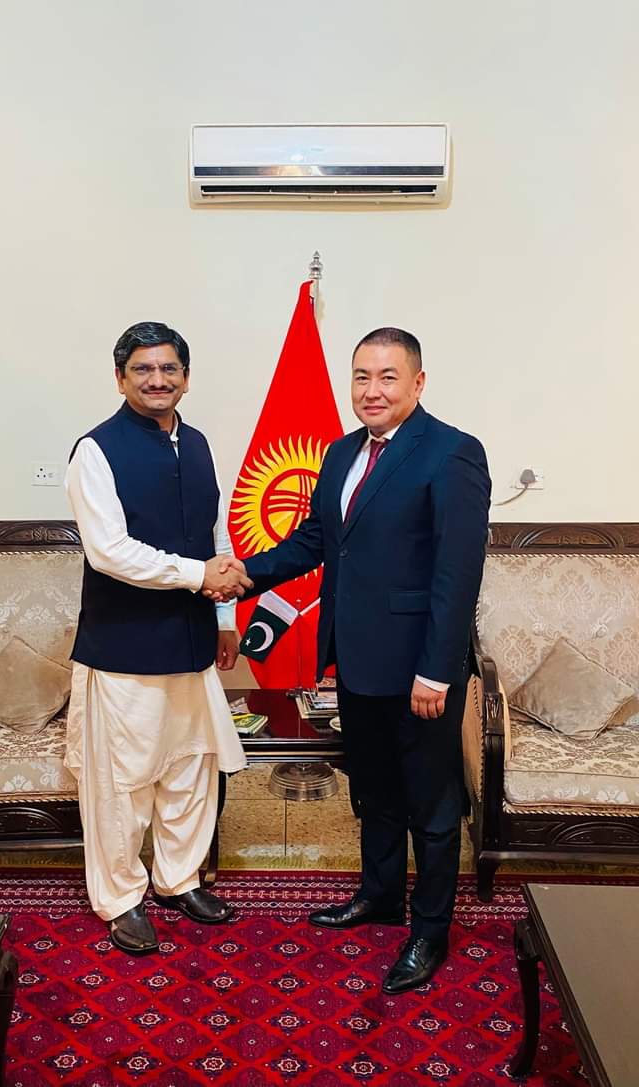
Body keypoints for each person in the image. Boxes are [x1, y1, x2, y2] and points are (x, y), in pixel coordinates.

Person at [234, 327, 490, 993]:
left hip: (419, 671)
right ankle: (379, 895)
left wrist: (437, 669)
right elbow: (316, 540)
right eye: (361, 377)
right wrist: (243, 574)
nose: (371, 390)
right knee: (373, 789)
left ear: (418, 382)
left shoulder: (452, 452)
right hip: (353, 659)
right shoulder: (342, 452)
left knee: (431, 804)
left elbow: (456, 575)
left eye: (387, 376)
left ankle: (429, 930)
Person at [65, 320, 251, 954]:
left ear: (186, 378)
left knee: (190, 770)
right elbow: (109, 551)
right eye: (143, 369)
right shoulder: (95, 451)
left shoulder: (196, 443)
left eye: (169, 368)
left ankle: (179, 880)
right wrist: (199, 577)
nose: (157, 379)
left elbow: (215, 531)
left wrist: (224, 618)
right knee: (124, 783)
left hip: (193, 640)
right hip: (125, 648)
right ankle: (121, 898)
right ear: (120, 378)